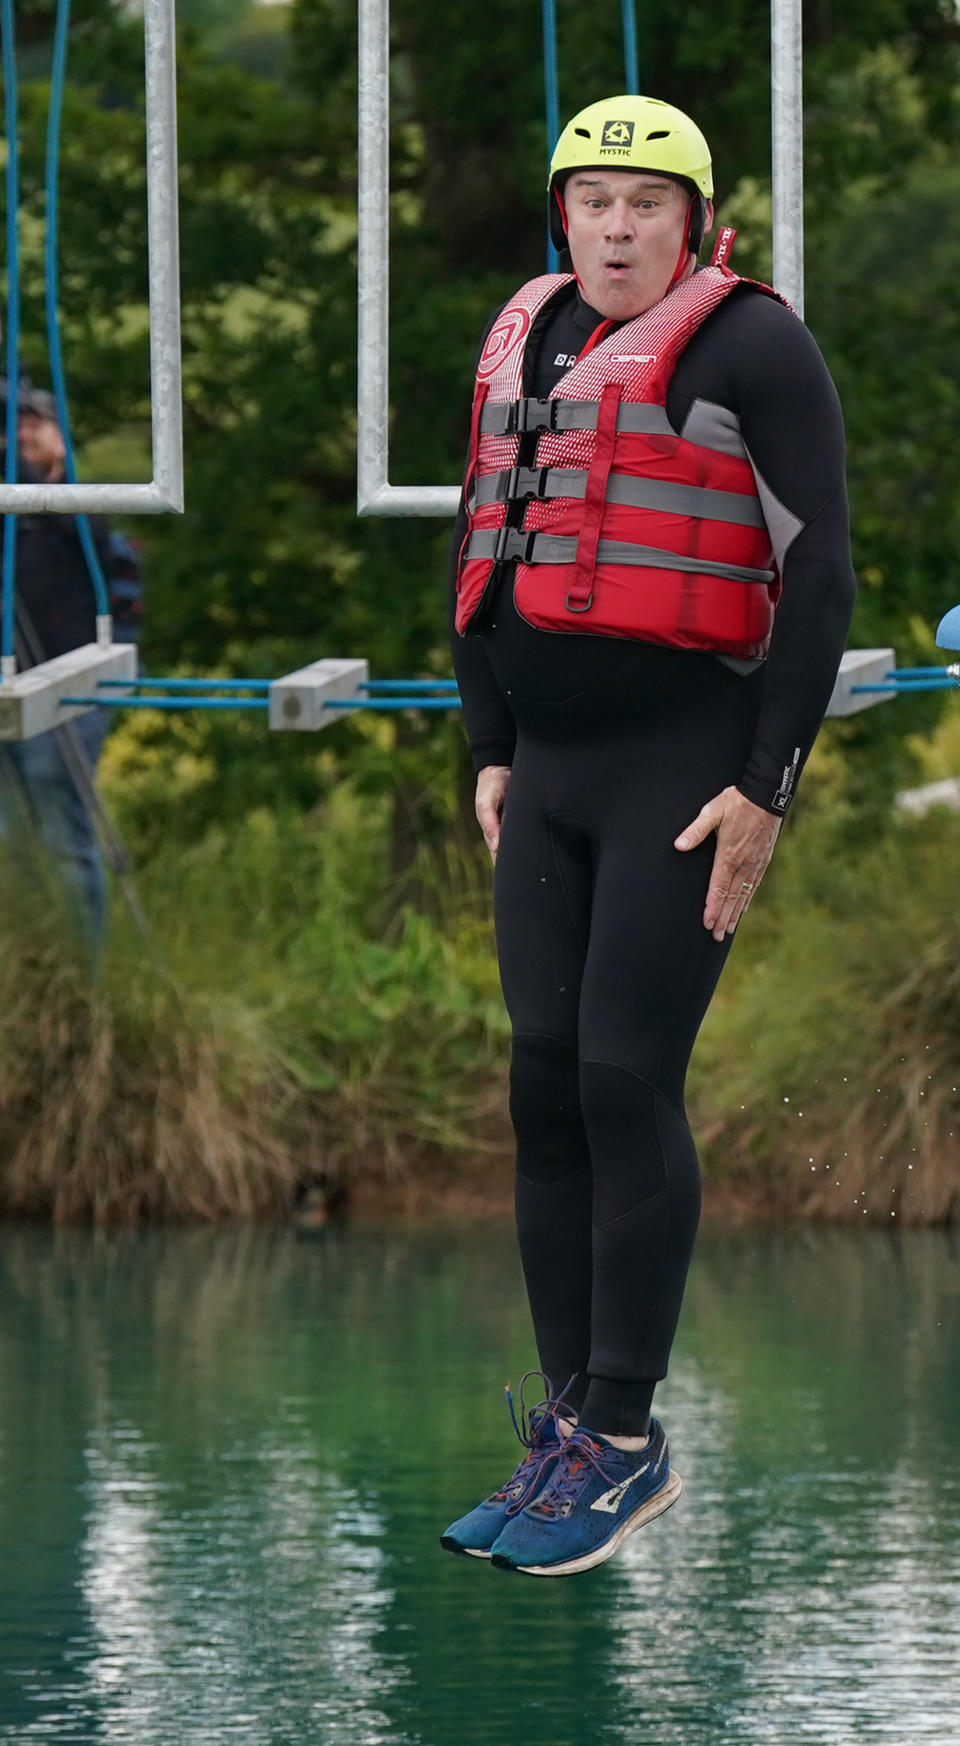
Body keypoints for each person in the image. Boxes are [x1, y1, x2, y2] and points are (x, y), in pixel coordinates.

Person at [440, 95, 856, 1577]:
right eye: (594, 203)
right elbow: (486, 532)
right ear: (564, 214)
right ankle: (563, 1431)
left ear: (696, 220)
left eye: (646, 205)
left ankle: (626, 1435)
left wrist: (768, 786)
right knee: (543, 1085)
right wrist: (488, 745)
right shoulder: (527, 334)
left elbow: (819, 584)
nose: (617, 229)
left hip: (683, 766)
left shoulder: (753, 344)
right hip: (546, 772)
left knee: (625, 1073)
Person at [0, 379, 143, 948]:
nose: (25, 433)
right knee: (9, 837)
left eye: (38, 423)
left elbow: (80, 529)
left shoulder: (82, 504)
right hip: (11, 686)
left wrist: (16, 463)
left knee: (59, 817)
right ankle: (32, 966)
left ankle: (85, 970)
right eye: (16, 424)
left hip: (72, 685)